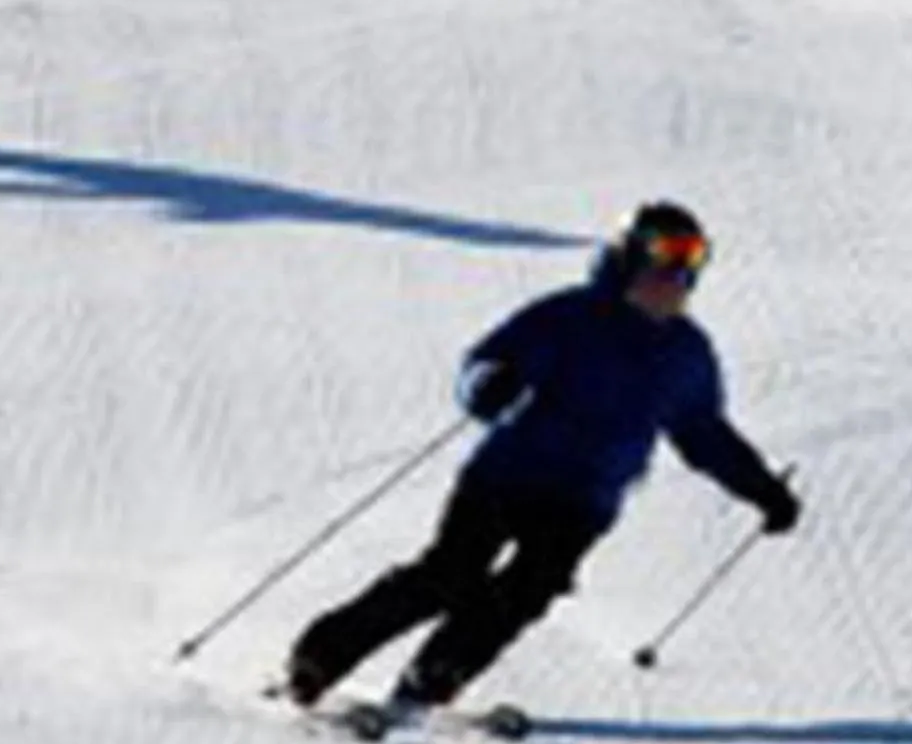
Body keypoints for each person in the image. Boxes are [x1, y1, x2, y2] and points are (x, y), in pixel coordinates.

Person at [280, 201, 801, 717]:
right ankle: (320, 659)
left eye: (692, 261)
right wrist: (488, 386)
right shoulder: (569, 316)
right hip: (506, 477)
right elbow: (486, 363)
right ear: (628, 258)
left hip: (584, 501)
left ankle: (436, 675)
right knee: (449, 575)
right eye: (665, 257)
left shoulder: (685, 353)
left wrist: (762, 490)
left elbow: (704, 433)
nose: (677, 275)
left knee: (527, 591)